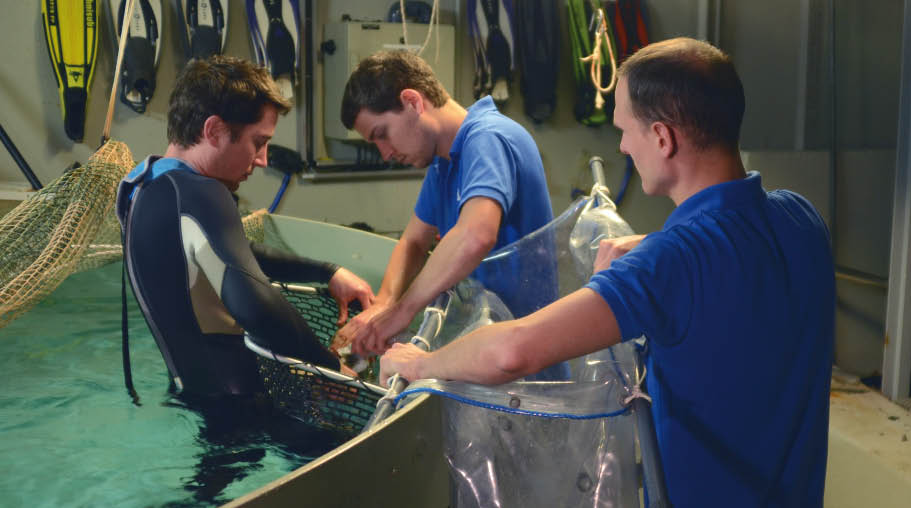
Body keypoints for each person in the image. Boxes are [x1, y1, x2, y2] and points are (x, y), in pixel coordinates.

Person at [380, 38, 836, 506]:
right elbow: (734, 240)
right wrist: (651, 242)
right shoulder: (802, 219)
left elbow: (513, 352)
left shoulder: (667, 266)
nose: (621, 145)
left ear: (663, 138)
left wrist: (421, 364)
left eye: (625, 129)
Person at [115, 56, 375, 399]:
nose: (263, 159)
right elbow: (254, 301)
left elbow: (229, 256)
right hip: (244, 408)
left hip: (192, 395)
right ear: (213, 131)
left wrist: (327, 272)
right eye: (258, 142)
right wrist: (324, 366)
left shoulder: (146, 187)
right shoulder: (201, 194)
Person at [334, 50, 555, 357]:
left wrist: (401, 312)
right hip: (489, 349)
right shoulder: (445, 163)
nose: (385, 153)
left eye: (382, 134)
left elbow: (475, 235)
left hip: (526, 362)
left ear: (413, 102)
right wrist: (383, 304)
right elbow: (413, 240)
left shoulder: (488, 138)